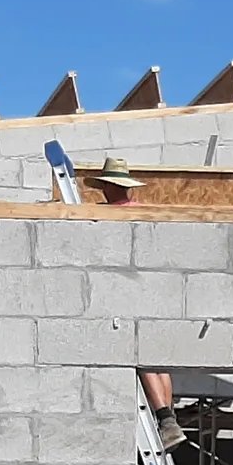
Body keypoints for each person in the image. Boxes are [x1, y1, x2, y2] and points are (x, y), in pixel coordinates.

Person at [88, 158, 187, 449]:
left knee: (142, 359)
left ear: (108, 186)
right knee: (158, 361)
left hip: (131, 293)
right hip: (159, 292)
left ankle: (166, 419)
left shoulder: (107, 216)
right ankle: (169, 421)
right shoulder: (145, 212)